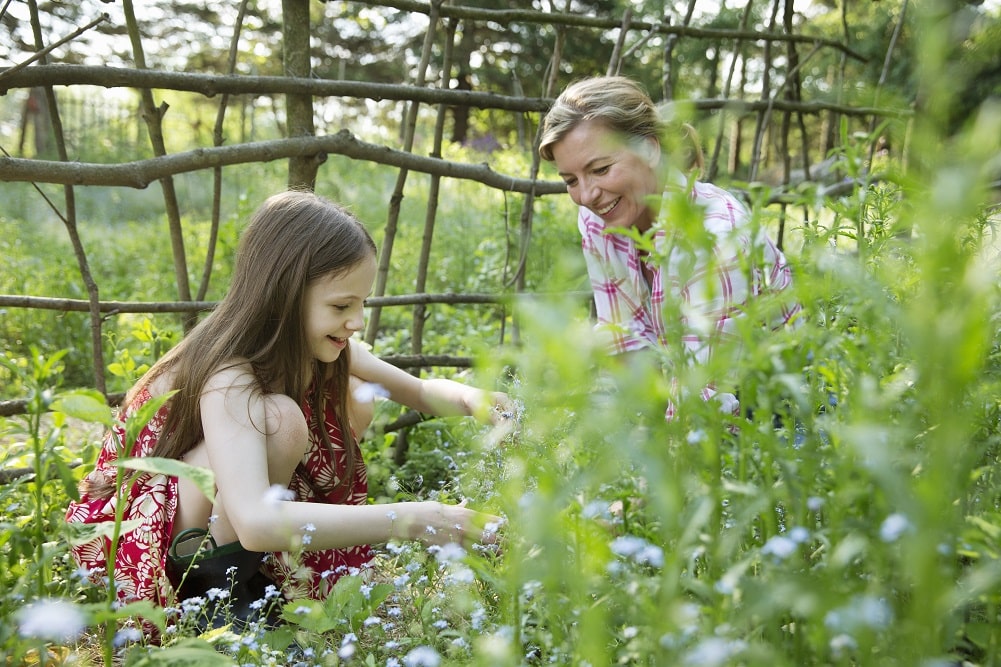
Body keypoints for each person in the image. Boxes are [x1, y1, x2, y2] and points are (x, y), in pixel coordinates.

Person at [66, 190, 510, 627]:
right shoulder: (231, 374)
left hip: (221, 508)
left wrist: (476, 400)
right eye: (341, 306)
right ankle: (211, 598)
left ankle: (254, 577)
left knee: (355, 397)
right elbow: (257, 520)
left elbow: (417, 391)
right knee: (282, 420)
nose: (356, 322)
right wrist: (416, 518)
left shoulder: (320, 346)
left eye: (362, 304)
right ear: (284, 295)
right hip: (145, 536)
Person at [539, 76, 800, 419]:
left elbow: (706, 395)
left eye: (600, 169)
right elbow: (625, 338)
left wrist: (654, 463)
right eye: (571, 180)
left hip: (782, 415)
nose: (586, 195)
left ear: (649, 148)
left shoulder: (714, 238)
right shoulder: (600, 218)